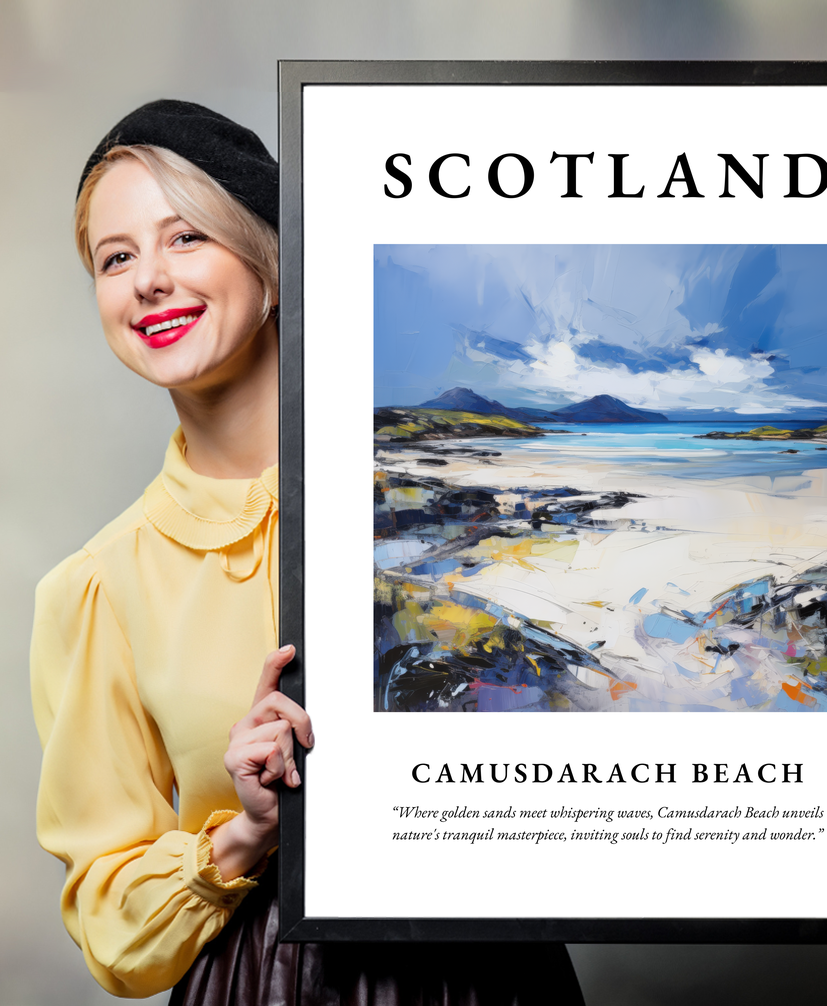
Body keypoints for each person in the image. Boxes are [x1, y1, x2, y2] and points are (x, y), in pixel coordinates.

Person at [30, 100, 586, 1004]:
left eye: (185, 238)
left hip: (492, 973)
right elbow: (110, 923)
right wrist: (245, 832)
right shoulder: (97, 587)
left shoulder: (444, 506)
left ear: (272, 263)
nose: (148, 281)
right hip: (262, 982)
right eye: (116, 257)